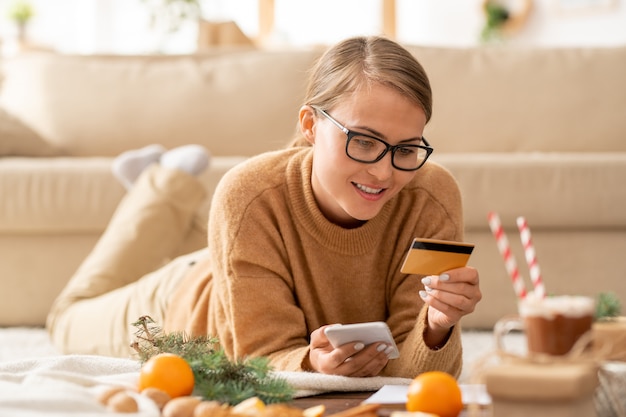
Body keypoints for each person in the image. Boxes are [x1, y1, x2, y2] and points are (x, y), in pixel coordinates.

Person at [46, 35, 481, 379]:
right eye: (363, 141)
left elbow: (412, 375)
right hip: (186, 301)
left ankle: (159, 184)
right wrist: (310, 367)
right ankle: (161, 184)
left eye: (405, 149)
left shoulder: (432, 195)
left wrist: (437, 324)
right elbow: (258, 362)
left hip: (243, 257)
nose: (385, 173)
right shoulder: (248, 193)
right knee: (66, 320)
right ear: (310, 125)